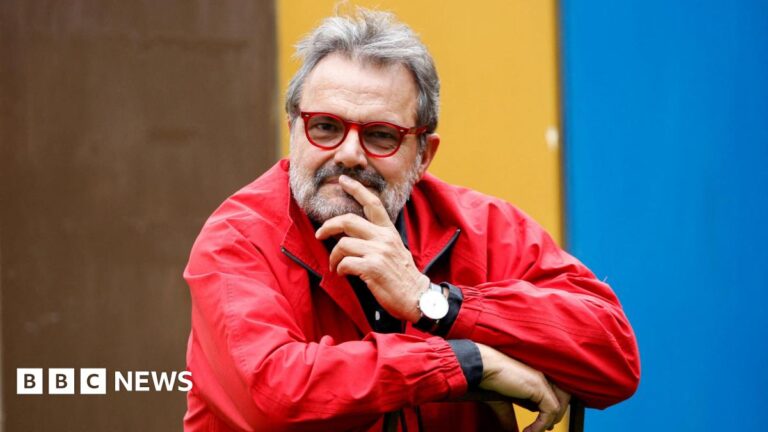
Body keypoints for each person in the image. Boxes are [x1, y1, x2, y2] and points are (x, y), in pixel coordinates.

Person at [183, 8, 640, 432]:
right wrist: (466, 362)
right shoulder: (238, 237)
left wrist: (434, 301)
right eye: (325, 126)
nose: (347, 154)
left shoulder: (479, 226)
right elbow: (273, 395)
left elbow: (613, 358)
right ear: (293, 128)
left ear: (424, 154)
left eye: (381, 135)